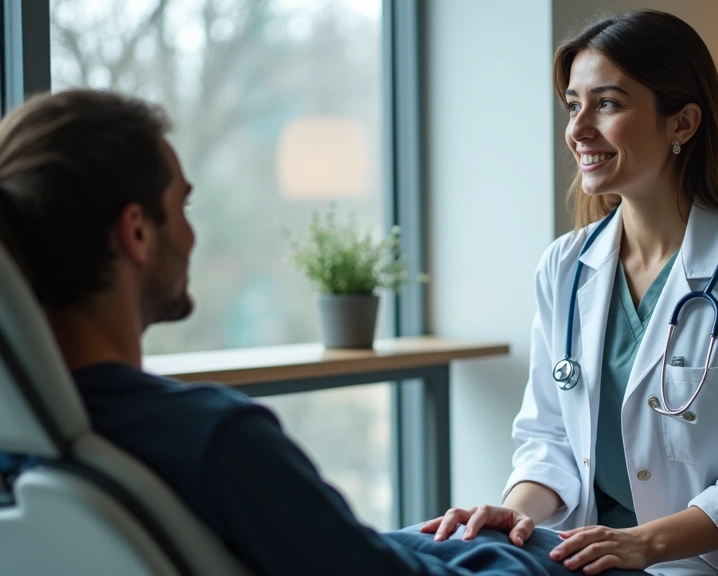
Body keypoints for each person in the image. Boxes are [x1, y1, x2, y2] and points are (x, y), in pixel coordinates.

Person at [0, 89, 649, 576]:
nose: (194, 235)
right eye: (183, 206)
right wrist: (536, 550)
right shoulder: (210, 438)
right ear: (136, 232)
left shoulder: (31, 449)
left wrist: (461, 539)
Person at [421, 10, 718, 576]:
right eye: (573, 105)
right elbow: (549, 437)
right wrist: (516, 517)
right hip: (607, 554)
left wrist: (645, 544)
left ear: (682, 124)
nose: (578, 129)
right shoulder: (566, 266)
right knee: (429, 551)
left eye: (606, 104)